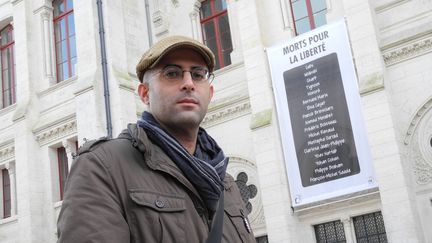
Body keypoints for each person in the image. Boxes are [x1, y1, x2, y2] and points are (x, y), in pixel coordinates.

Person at [57, 35, 256, 243]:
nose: (188, 83)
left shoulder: (226, 184)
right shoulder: (102, 167)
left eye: (198, 75)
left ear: (210, 92)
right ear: (144, 94)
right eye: (172, 73)